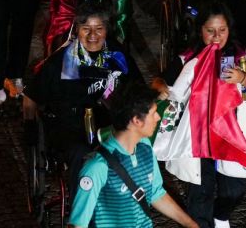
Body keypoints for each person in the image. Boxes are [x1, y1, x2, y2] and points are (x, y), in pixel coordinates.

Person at [153, 2, 246, 228]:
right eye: (210, 31)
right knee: (199, 193)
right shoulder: (187, 59)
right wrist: (161, 88)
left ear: (230, 30)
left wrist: (243, 78)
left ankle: (221, 214)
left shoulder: (245, 57)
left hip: (232, 134)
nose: (216, 36)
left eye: (222, 30)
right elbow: (160, 80)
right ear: (200, 31)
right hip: (198, 137)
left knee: (236, 188)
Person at [24, 4, 142, 188]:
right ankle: (83, 207)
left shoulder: (118, 56)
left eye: (99, 29)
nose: (92, 35)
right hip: (72, 127)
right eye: (86, 29)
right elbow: (31, 96)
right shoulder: (60, 62)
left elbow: (137, 88)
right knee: (82, 154)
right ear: (77, 30)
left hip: (109, 123)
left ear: (106, 30)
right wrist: (30, 128)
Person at [67, 82, 199, 228]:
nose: (158, 118)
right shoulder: (97, 167)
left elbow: (156, 193)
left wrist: (191, 224)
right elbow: (77, 224)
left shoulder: (145, 147)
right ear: (136, 120)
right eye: (153, 113)